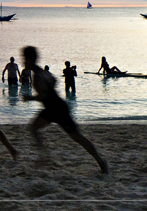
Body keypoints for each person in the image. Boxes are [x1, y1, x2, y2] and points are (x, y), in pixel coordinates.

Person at [21, 46, 108, 174]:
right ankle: (43, 155)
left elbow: (44, 96)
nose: (23, 61)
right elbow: (54, 80)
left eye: (24, 58)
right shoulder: (41, 72)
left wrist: (29, 98)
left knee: (77, 137)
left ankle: (101, 162)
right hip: (52, 108)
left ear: (30, 59)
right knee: (33, 128)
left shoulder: (38, 75)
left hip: (57, 109)